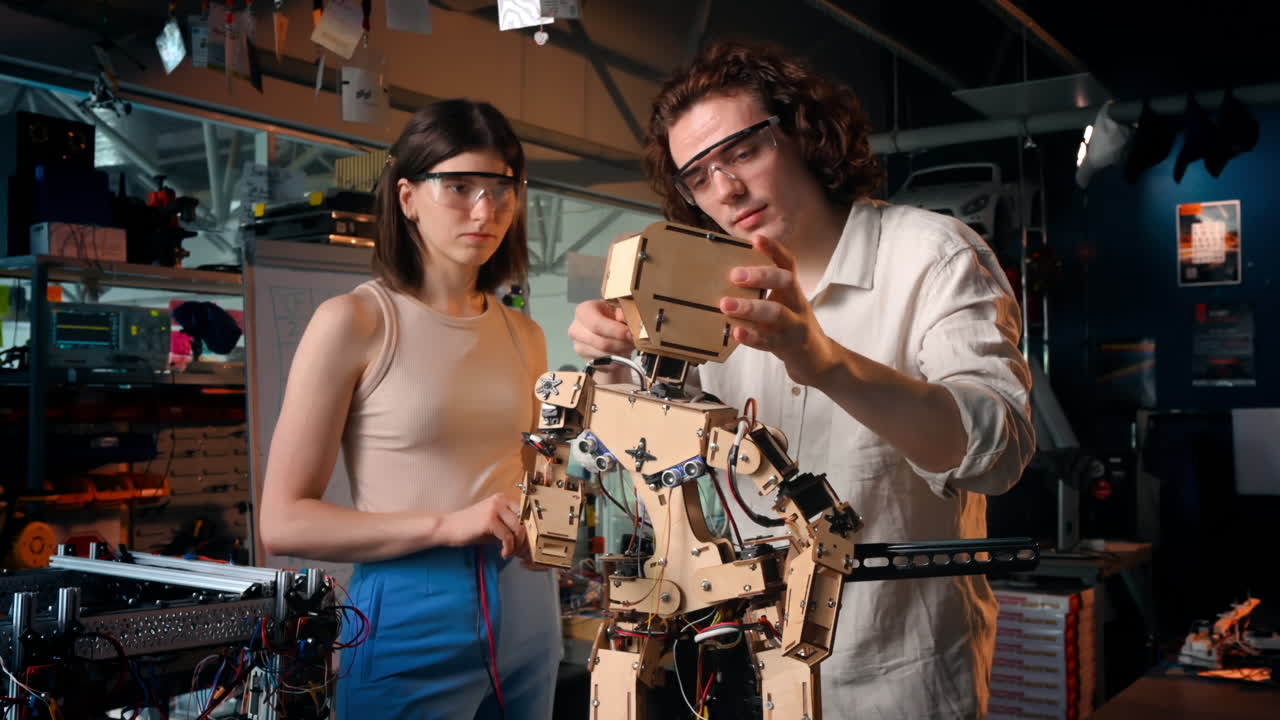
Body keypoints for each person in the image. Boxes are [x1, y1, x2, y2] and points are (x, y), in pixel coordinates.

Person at [569, 41, 1035, 719]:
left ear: (806, 133)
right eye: (698, 176)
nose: (726, 190)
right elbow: (650, 450)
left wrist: (827, 365)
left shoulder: (933, 255)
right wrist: (612, 361)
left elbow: (998, 451)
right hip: (746, 680)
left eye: (742, 152)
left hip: (896, 685)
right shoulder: (707, 295)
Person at [258, 99, 559, 720]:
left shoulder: (526, 336)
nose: (485, 211)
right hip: (411, 604)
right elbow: (284, 522)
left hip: (528, 605)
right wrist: (449, 525)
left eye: (502, 189)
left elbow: (534, 472)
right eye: (459, 187)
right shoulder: (356, 321)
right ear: (407, 197)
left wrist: (548, 506)